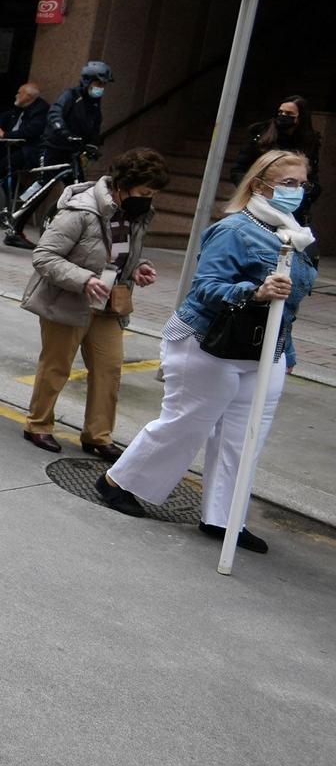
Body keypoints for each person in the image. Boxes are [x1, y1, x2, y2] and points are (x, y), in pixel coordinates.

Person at [93, 150, 316, 552]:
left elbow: (292, 305)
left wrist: (288, 352)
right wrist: (255, 291)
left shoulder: (295, 235)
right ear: (260, 185)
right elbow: (206, 286)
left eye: (302, 184)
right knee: (187, 423)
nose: (296, 192)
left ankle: (225, 518)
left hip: (266, 352)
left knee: (245, 438)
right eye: (288, 183)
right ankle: (117, 481)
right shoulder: (234, 230)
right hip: (210, 342)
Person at [20, 149, 170, 457]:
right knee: (56, 366)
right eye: (144, 192)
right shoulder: (82, 211)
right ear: (122, 184)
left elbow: (119, 251)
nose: (148, 199)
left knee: (109, 368)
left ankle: (98, 436)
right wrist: (84, 280)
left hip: (109, 303)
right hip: (67, 300)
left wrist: (138, 265)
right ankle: (38, 424)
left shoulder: (137, 213)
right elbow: (44, 256)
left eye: (153, 193)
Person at [234, 94, 321, 211]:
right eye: (280, 112)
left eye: (289, 114)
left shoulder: (308, 143)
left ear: (300, 118)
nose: (283, 116)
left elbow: (312, 178)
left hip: (293, 208)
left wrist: (303, 197)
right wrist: (254, 192)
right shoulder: (261, 137)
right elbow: (239, 170)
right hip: (258, 201)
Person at [40, 59, 111, 171]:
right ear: (87, 81)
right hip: (54, 147)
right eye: (98, 83)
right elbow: (54, 114)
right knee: (44, 182)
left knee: (78, 185)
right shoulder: (71, 95)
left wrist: (92, 144)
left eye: (104, 84)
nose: (101, 88)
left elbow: (95, 125)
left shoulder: (94, 103)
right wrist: (64, 132)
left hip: (73, 151)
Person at [0, 83, 50, 181]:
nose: (16, 95)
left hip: (28, 149)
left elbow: (29, 132)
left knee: (6, 164)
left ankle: (1, 189)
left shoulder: (41, 110)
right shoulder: (19, 107)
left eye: (19, 93)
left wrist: (4, 135)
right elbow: (0, 117)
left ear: (28, 96)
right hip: (10, 145)